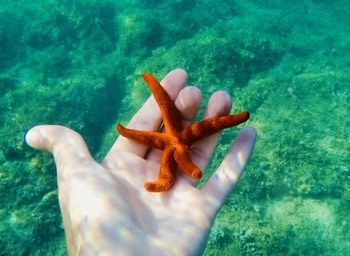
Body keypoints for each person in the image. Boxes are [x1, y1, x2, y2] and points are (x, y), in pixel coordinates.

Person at [25, 69, 256, 255]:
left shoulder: (174, 146)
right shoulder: (172, 147)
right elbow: (171, 152)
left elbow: (200, 137)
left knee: (190, 118)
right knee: (171, 111)